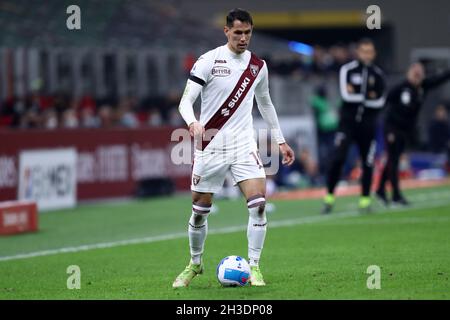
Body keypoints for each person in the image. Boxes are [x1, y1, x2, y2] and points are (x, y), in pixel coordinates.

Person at [172, 8, 295, 288]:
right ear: (226, 31)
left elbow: (265, 103)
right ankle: (195, 263)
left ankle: (254, 268)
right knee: (199, 210)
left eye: (247, 33)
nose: (243, 38)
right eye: (237, 32)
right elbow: (185, 101)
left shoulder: (257, 66)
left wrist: (280, 140)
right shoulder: (208, 61)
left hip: (243, 145)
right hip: (211, 145)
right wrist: (192, 123)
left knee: (259, 205)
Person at [322, 38, 386, 214]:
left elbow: (380, 100)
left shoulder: (378, 74)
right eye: (363, 51)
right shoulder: (347, 70)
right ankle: (329, 198)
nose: (366, 54)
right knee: (338, 158)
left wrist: (358, 93)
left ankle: (365, 201)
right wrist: (368, 96)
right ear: (357, 52)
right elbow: (346, 96)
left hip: (368, 125)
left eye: (369, 51)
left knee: (368, 162)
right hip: (347, 124)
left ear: (374, 54)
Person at [376, 64, 450, 206]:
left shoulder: (423, 87)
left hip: (405, 130)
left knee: (393, 159)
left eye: (419, 73)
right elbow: (384, 105)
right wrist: (388, 129)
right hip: (392, 128)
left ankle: (380, 190)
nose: (417, 76)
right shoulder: (400, 88)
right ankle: (396, 195)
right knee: (394, 161)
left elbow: (440, 79)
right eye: (414, 73)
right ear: (408, 73)